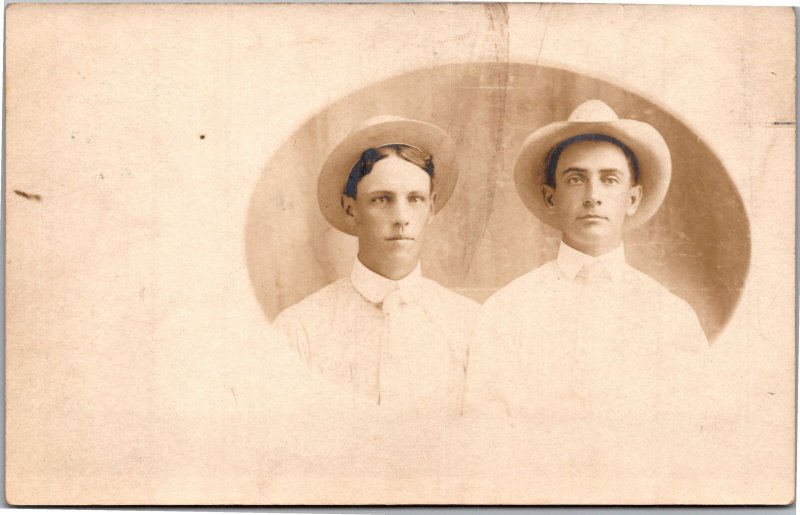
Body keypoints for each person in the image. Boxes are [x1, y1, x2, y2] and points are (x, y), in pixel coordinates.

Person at [465, 100, 708, 420]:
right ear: (551, 197)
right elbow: (485, 431)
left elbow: (693, 433)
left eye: (609, 180)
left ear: (632, 199)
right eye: (576, 179)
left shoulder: (671, 316)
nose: (593, 195)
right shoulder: (507, 310)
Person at [274, 115, 478, 415]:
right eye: (382, 199)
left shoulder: (471, 325)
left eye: (415, 199)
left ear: (431, 207)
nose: (401, 217)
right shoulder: (300, 329)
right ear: (351, 209)